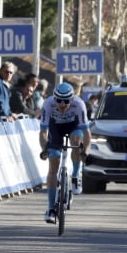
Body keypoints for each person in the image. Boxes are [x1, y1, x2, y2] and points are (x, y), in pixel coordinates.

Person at [39, 82, 89, 223]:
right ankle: (50, 209)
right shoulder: (48, 104)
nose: (62, 104)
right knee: (53, 161)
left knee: (76, 140)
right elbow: (43, 132)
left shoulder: (79, 105)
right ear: (54, 99)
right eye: (58, 100)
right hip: (56, 128)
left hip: (74, 126)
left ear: (71, 100)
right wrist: (44, 150)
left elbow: (87, 134)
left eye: (66, 101)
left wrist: (85, 151)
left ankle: (75, 176)